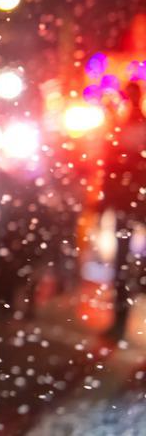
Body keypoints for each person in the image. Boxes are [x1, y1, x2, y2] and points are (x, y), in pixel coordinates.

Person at [106, 82, 146, 343]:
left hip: (129, 203)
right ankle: (120, 319)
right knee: (124, 264)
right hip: (132, 203)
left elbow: (112, 167)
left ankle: (120, 320)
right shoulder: (129, 126)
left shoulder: (125, 127)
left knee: (123, 263)